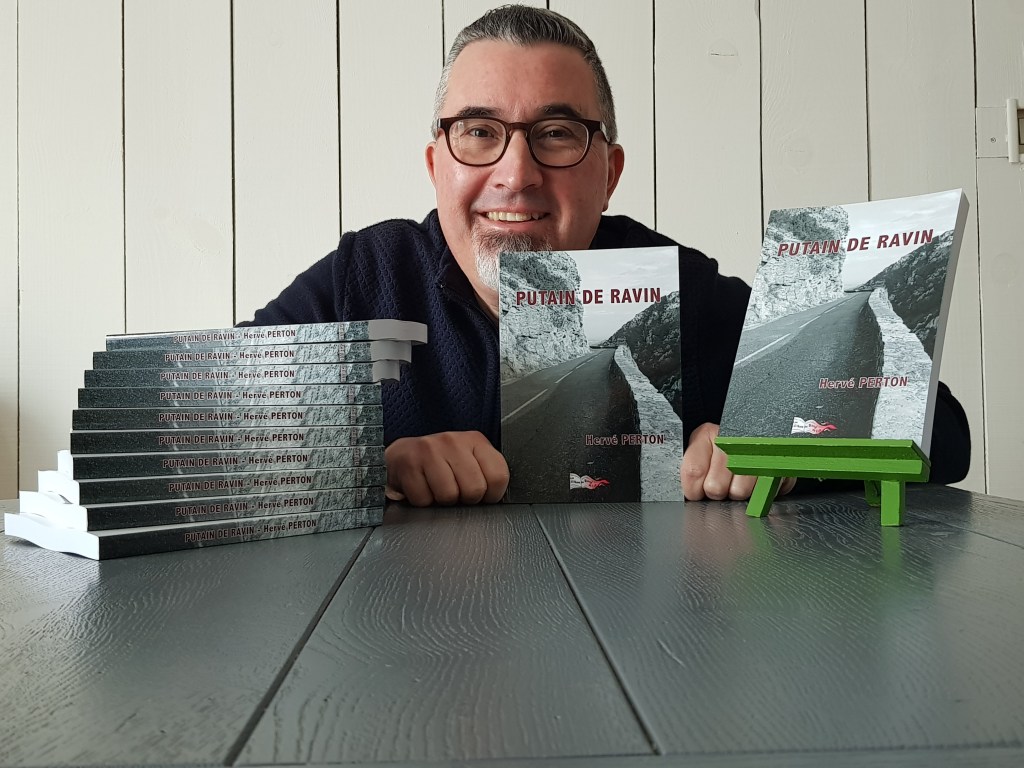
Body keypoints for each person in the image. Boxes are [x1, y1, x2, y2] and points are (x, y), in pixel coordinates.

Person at [241, 4, 971, 506]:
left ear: (609, 172)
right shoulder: (363, 278)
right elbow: (200, 435)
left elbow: (944, 435)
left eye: (557, 134)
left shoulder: (676, 287)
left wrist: (781, 451)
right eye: (479, 131)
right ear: (437, 164)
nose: (516, 174)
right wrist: (374, 469)